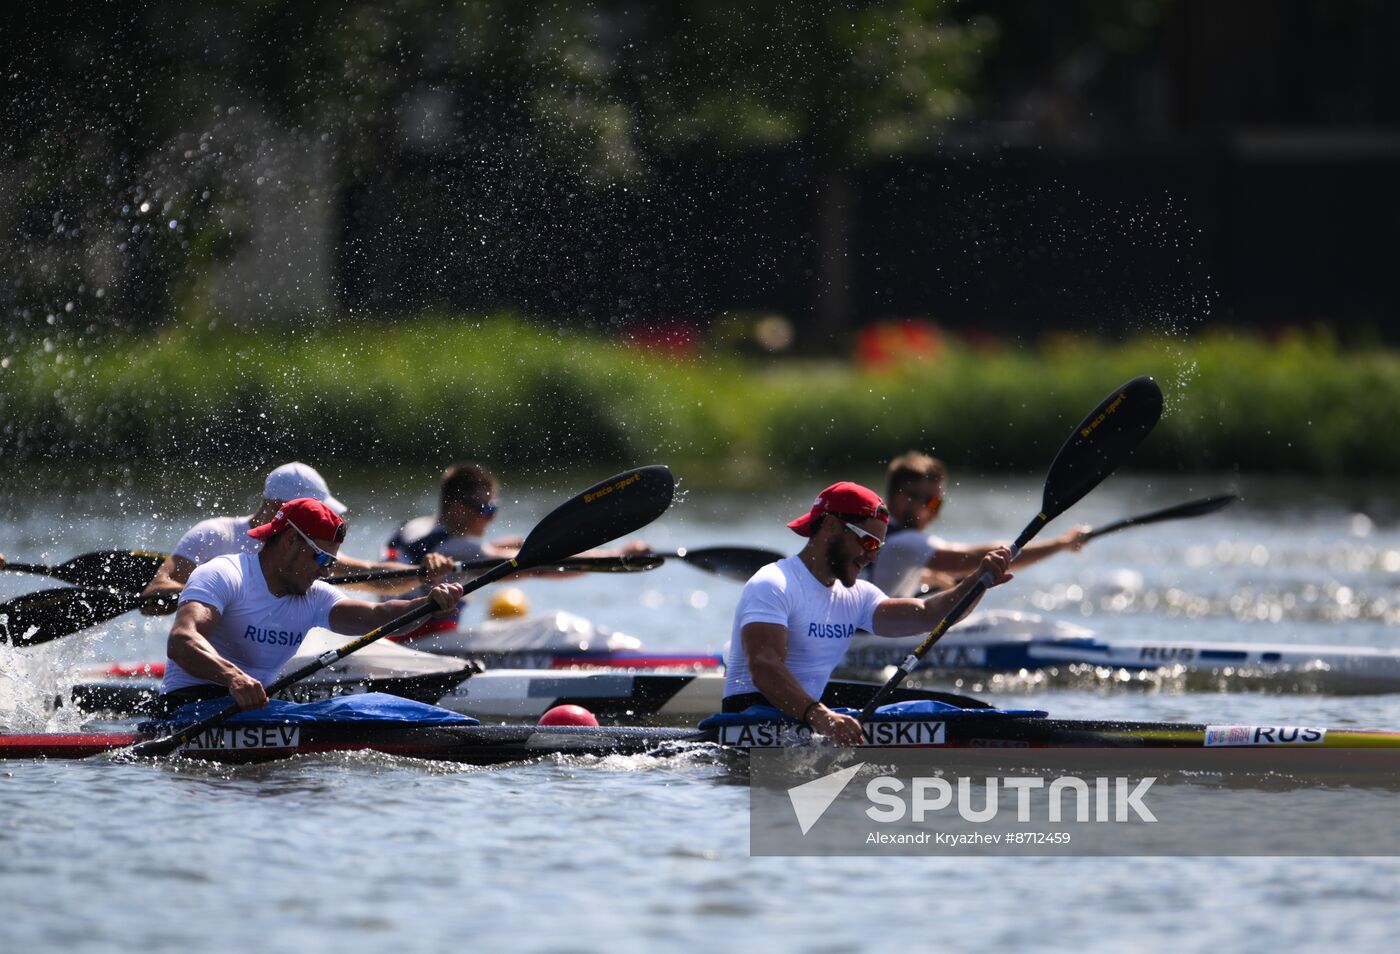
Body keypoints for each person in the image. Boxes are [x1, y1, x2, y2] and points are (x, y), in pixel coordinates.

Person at [723, 481, 1012, 745]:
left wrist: (977, 581)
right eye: (869, 542)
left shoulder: (856, 596)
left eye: (879, 546)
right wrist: (821, 716)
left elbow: (928, 614)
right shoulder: (774, 583)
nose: (873, 556)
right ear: (833, 527)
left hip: (803, 723)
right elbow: (764, 666)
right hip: (748, 724)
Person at [159, 497, 465, 715]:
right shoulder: (226, 574)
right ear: (291, 540)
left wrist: (427, 604)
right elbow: (183, 640)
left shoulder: (315, 596)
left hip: (255, 710)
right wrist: (233, 678)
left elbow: (378, 616)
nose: (327, 571)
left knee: (375, 708)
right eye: (321, 558)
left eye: (332, 562)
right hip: (191, 706)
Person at [140, 461, 449, 613]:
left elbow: (369, 575)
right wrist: (230, 597)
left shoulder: (310, 552)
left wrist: (424, 574)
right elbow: (155, 597)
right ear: (278, 508)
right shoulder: (215, 535)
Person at [383, 462, 647, 638]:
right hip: (421, 645)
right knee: (554, 627)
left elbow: (470, 552)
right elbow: (538, 567)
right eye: (485, 510)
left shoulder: (417, 527)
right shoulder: (458, 547)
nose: (491, 518)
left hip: (394, 637)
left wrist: (510, 545)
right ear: (458, 508)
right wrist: (617, 557)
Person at [867, 450, 1089, 597]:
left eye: (939, 503)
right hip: (872, 639)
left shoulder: (879, 533)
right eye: (931, 502)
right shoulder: (907, 542)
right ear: (902, 499)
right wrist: (1062, 543)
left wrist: (928, 576)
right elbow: (975, 558)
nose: (936, 513)